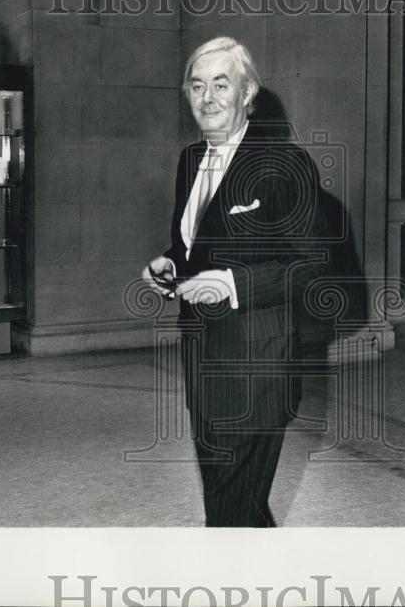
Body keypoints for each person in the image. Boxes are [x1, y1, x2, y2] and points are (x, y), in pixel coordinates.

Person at [142, 36, 330, 527]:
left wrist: (231, 283)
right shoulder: (189, 162)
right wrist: (170, 265)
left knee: (230, 508)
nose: (207, 98)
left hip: (257, 361)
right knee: (233, 502)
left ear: (248, 93)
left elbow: (313, 267)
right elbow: (195, 248)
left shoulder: (287, 165)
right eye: (196, 86)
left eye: (221, 85)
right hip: (202, 354)